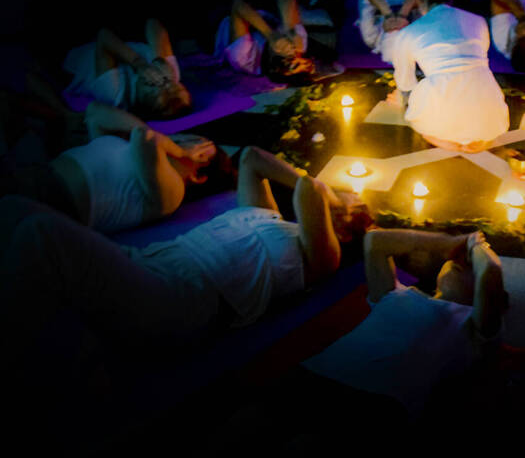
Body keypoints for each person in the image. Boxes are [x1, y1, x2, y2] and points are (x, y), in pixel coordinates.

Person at [0, 146, 371, 378]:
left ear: (348, 231)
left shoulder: (324, 255)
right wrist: (332, 194)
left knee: (41, 235)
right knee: (13, 208)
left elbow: (308, 189)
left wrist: (329, 195)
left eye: (348, 201)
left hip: (179, 300)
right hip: (149, 261)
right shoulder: (268, 216)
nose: (340, 194)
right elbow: (252, 158)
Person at [302, 227, 507, 414]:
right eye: (461, 258)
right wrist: (448, 243)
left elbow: (490, 273)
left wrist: (476, 244)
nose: (463, 261)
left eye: (471, 264)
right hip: (316, 375)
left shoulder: (473, 325)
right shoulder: (396, 293)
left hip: (376, 400)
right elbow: (375, 241)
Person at [0, 101, 228, 234]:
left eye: (199, 147)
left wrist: (178, 150)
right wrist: (174, 144)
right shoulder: (127, 146)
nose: (187, 141)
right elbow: (96, 114)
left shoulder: (173, 194)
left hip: (51, 201)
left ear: (198, 176)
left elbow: (146, 137)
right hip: (34, 174)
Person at [388, 0, 510, 152]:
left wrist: (403, 100)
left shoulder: (408, 33)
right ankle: (476, 141)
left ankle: (449, 142)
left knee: (410, 105)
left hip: (440, 118)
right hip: (491, 116)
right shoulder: (478, 21)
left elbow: (405, 84)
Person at [63, 18, 192, 119]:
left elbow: (103, 36)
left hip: (78, 56)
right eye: (177, 88)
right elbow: (153, 24)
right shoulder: (170, 76)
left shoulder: (115, 93)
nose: (167, 85)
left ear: (143, 107)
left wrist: (140, 64)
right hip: (124, 39)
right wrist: (160, 59)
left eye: (161, 94)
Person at [214, 0, 315, 80]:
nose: (297, 57)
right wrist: (290, 28)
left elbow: (237, 4)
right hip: (262, 11)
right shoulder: (299, 46)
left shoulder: (245, 59)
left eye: (293, 65)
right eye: (308, 63)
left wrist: (271, 35)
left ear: (274, 70)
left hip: (223, 17)